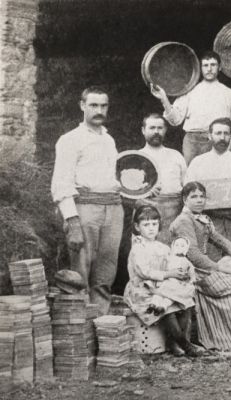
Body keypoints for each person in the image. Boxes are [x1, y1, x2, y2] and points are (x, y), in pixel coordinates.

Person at [51, 86, 123, 315]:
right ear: (82, 105)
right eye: (93, 105)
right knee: (80, 272)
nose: (99, 110)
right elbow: (61, 183)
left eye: (103, 105)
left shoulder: (109, 139)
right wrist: (72, 222)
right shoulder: (70, 139)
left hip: (112, 209)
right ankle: (78, 328)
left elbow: (109, 179)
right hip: (84, 209)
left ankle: (100, 326)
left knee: (105, 272)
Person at [169, 181, 231, 350]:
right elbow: (194, 255)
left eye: (202, 196)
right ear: (184, 200)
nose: (199, 200)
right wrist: (221, 268)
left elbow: (218, 239)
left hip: (203, 268)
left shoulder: (202, 218)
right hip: (191, 272)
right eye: (194, 197)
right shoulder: (184, 220)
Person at [123, 205, 200, 357]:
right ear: (137, 227)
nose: (151, 228)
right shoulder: (138, 248)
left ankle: (175, 341)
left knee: (185, 301)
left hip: (162, 286)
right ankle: (184, 343)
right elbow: (144, 272)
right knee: (167, 309)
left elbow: (173, 264)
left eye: (154, 224)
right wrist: (169, 273)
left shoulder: (163, 247)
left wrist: (182, 272)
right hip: (142, 288)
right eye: (146, 225)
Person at [151, 50, 231, 163]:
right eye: (205, 65)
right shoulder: (190, 91)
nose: (209, 69)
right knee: (191, 177)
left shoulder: (229, 93)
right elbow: (175, 120)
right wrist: (164, 98)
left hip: (217, 141)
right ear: (200, 68)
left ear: (219, 67)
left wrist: (229, 151)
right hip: (192, 143)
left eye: (213, 65)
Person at [185, 117, 231, 259]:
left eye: (226, 133)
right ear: (209, 135)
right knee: (212, 260)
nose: (222, 138)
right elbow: (188, 193)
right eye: (218, 133)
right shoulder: (198, 162)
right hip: (209, 220)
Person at [137, 113, 187, 244]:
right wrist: (143, 194)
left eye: (160, 128)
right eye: (152, 128)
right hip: (145, 213)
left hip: (173, 212)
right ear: (143, 130)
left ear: (165, 130)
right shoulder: (135, 158)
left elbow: (186, 187)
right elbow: (128, 192)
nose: (156, 132)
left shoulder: (176, 155)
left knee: (172, 257)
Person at [146, 237, 195, 316]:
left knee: (170, 296)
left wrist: (192, 280)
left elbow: (191, 272)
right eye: (177, 245)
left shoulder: (187, 262)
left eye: (182, 246)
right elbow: (163, 269)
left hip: (177, 283)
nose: (179, 247)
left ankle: (162, 306)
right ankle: (153, 304)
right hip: (167, 281)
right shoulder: (168, 258)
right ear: (173, 246)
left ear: (186, 248)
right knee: (159, 294)